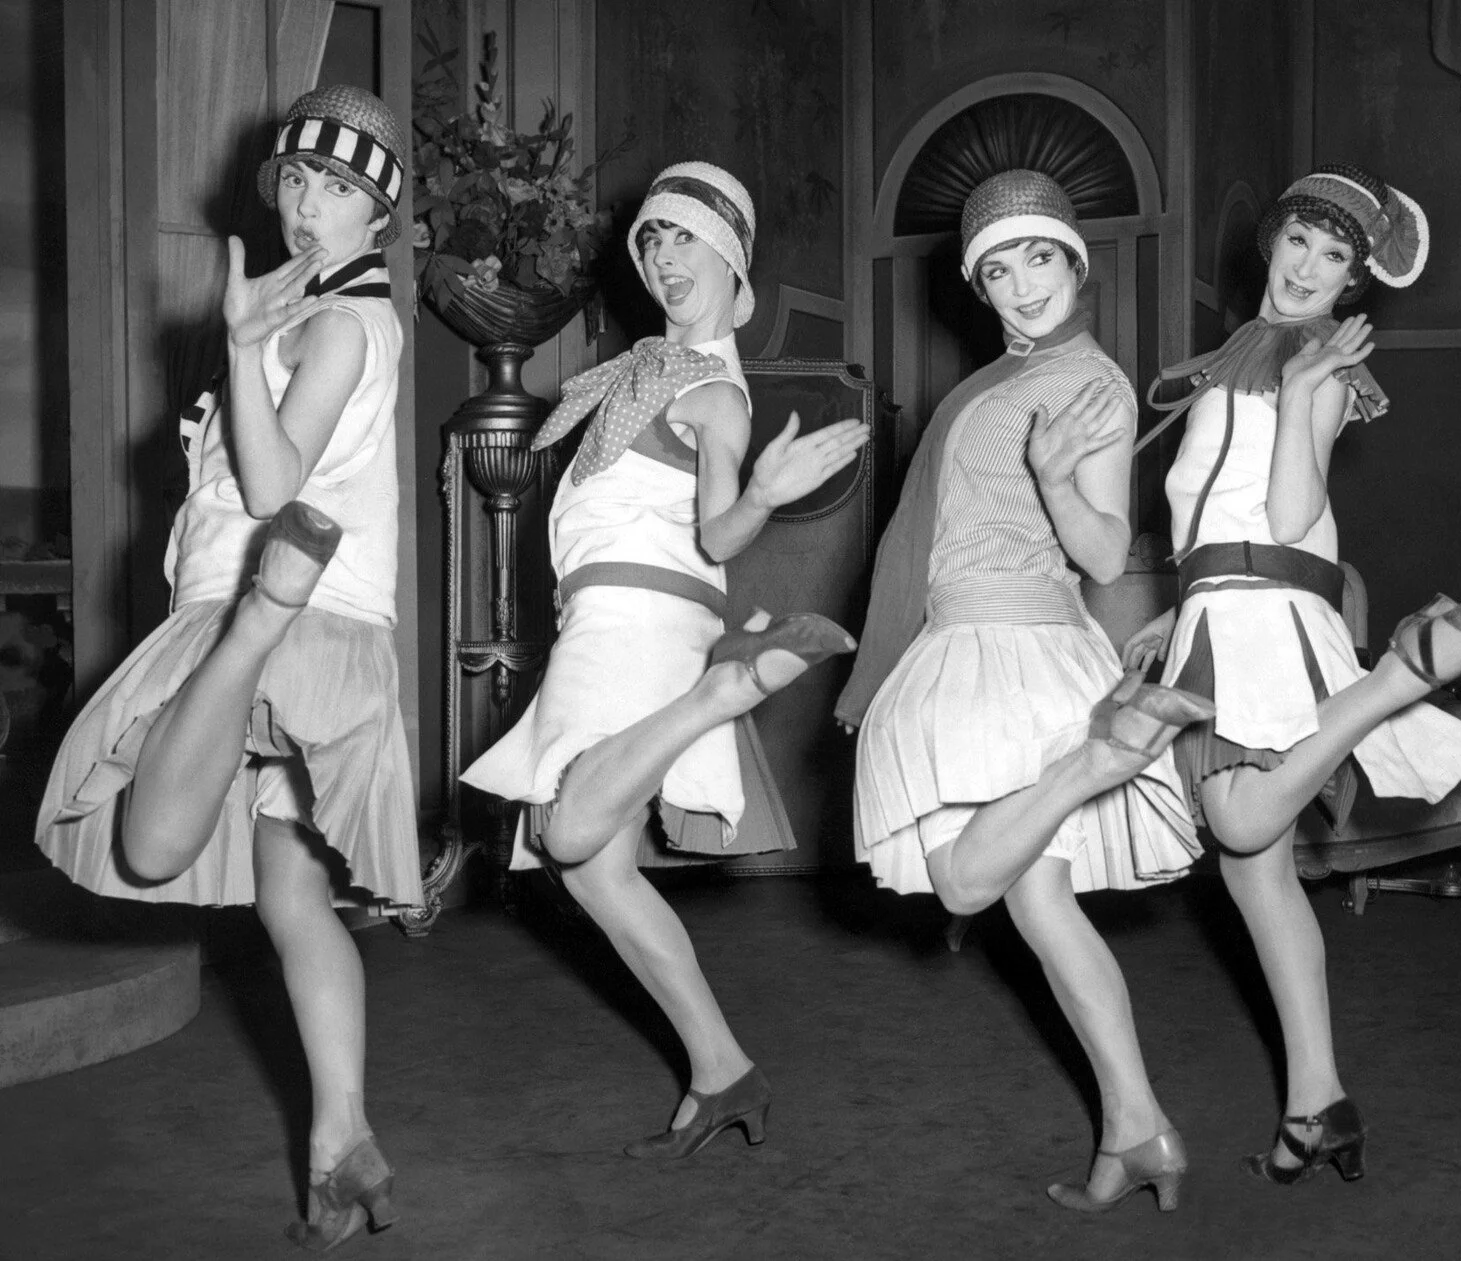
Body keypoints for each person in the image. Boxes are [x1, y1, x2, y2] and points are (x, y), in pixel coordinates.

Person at [35, 86, 420, 1248]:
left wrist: (247, 350)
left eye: (338, 189)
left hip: (274, 616)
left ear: (379, 217)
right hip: (292, 615)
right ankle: (343, 1136)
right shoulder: (309, 311)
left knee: (152, 844)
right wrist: (250, 347)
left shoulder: (344, 323)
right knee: (294, 899)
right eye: (296, 178)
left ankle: (263, 620)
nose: (308, 204)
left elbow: (269, 484)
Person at [1123, 163, 1461, 1184]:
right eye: (1299, 240)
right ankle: (1319, 1105)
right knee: (1255, 875)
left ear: (1355, 281)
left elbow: (1292, 514)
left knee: (1238, 823)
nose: (1308, 266)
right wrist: (1175, 610)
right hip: (1224, 606)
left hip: (1265, 617)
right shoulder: (1240, 355)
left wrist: (1311, 391)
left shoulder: (1317, 362)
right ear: (1271, 242)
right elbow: (1220, 514)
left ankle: (1397, 677)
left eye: (1335, 255)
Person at [461, 161, 869, 1159]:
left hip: (640, 624)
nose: (664, 255)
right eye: (652, 239)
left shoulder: (714, 391)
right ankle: (723, 1069)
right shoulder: (646, 370)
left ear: (733, 258)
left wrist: (762, 494)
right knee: (599, 876)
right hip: (603, 619)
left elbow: (720, 534)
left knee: (566, 831)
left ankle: (722, 692)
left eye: (686, 236)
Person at [835, 169, 1216, 1215]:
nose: (1021, 284)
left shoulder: (1088, 382)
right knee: (1040, 906)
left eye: (1038, 256)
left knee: (964, 884)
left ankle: (1099, 756)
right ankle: (1139, 1128)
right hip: (970, 637)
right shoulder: (1000, 380)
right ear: (980, 287)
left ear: (1075, 263)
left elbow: (1102, 553)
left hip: (1011, 645)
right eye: (997, 269)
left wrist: (1053, 478)